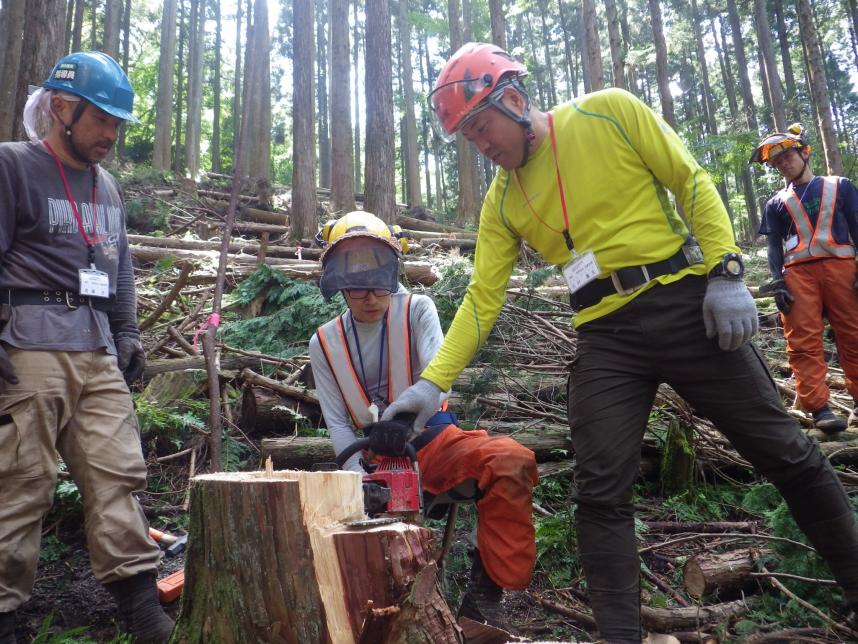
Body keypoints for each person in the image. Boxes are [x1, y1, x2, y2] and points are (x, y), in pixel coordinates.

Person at [382, 42, 858, 641]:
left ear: (514, 100)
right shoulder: (502, 203)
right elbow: (482, 299)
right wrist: (432, 384)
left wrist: (727, 273)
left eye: (483, 127)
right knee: (600, 494)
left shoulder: (608, 111)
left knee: (787, 453)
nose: (481, 145)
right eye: (469, 138)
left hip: (685, 302)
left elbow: (690, 181)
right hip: (604, 335)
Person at [0, 52, 173, 644]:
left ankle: (141, 609)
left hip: (96, 346)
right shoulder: (12, 166)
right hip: (28, 341)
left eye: (117, 124)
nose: (110, 134)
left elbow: (119, 268)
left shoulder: (108, 185)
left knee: (117, 476)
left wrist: (127, 333)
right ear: (60, 107)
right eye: (100, 119)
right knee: (21, 481)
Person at [308, 210, 538, 628]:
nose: (370, 298)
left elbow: (439, 380)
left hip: (434, 442)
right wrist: (357, 478)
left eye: (378, 285)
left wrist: (408, 421)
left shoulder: (417, 310)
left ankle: (485, 596)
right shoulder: (323, 342)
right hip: (371, 461)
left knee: (509, 460)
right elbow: (339, 423)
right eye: (357, 288)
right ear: (338, 284)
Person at [751, 123, 858, 433]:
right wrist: (777, 282)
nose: (785, 163)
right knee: (802, 342)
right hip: (797, 275)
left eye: (788, 156)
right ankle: (819, 409)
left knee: (852, 334)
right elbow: (773, 246)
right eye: (777, 161)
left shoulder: (841, 186)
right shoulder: (775, 203)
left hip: (842, 268)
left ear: (804, 152)